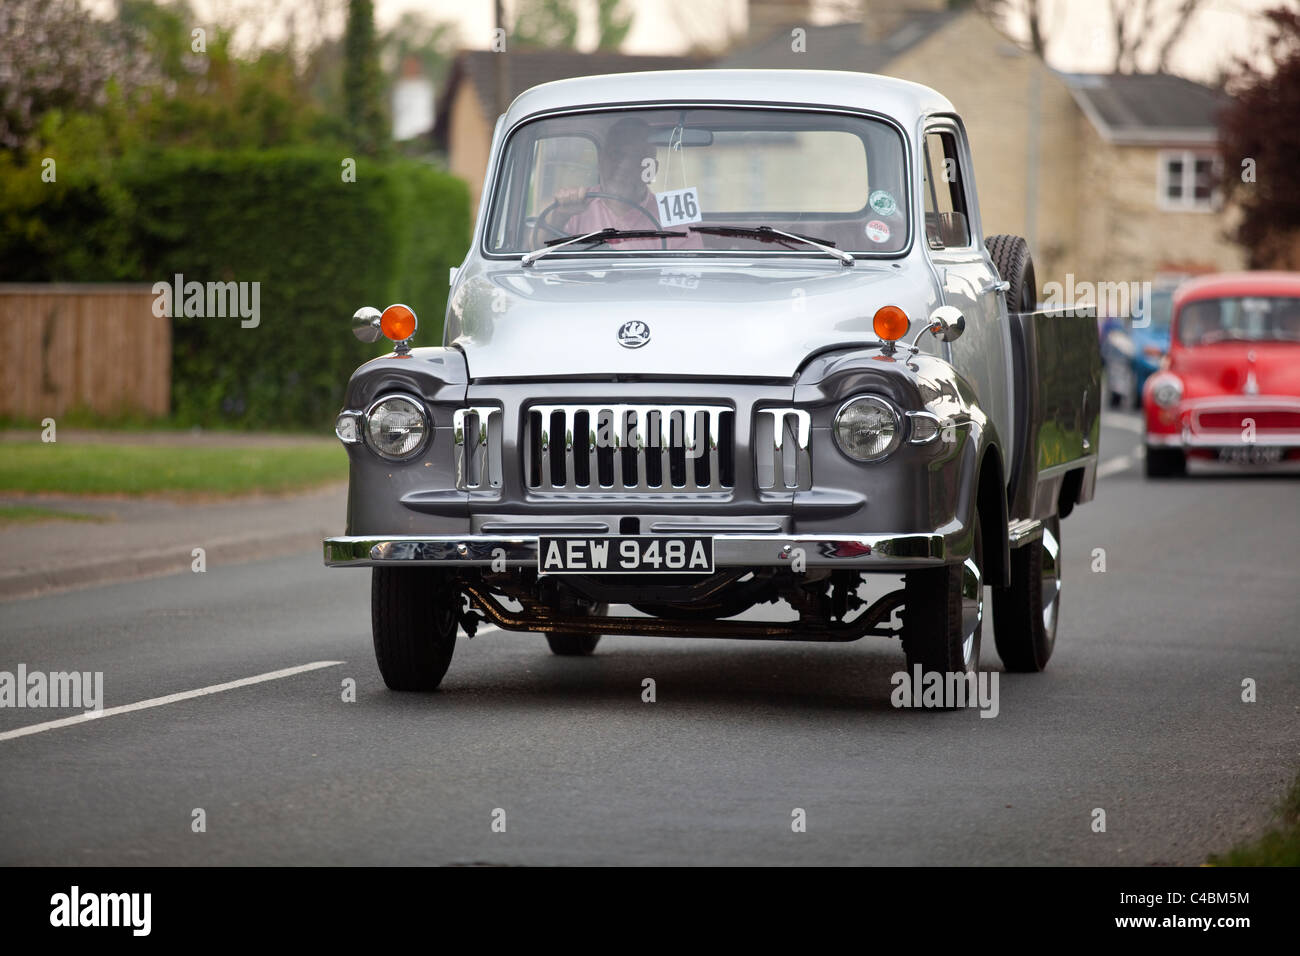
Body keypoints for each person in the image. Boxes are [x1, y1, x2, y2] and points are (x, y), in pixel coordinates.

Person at [534, 117, 703, 251]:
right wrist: (560, 216)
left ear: (652, 169)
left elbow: (687, 279)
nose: (624, 165)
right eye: (616, 154)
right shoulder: (575, 206)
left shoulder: (675, 218)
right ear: (601, 160)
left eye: (638, 157)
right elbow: (535, 251)